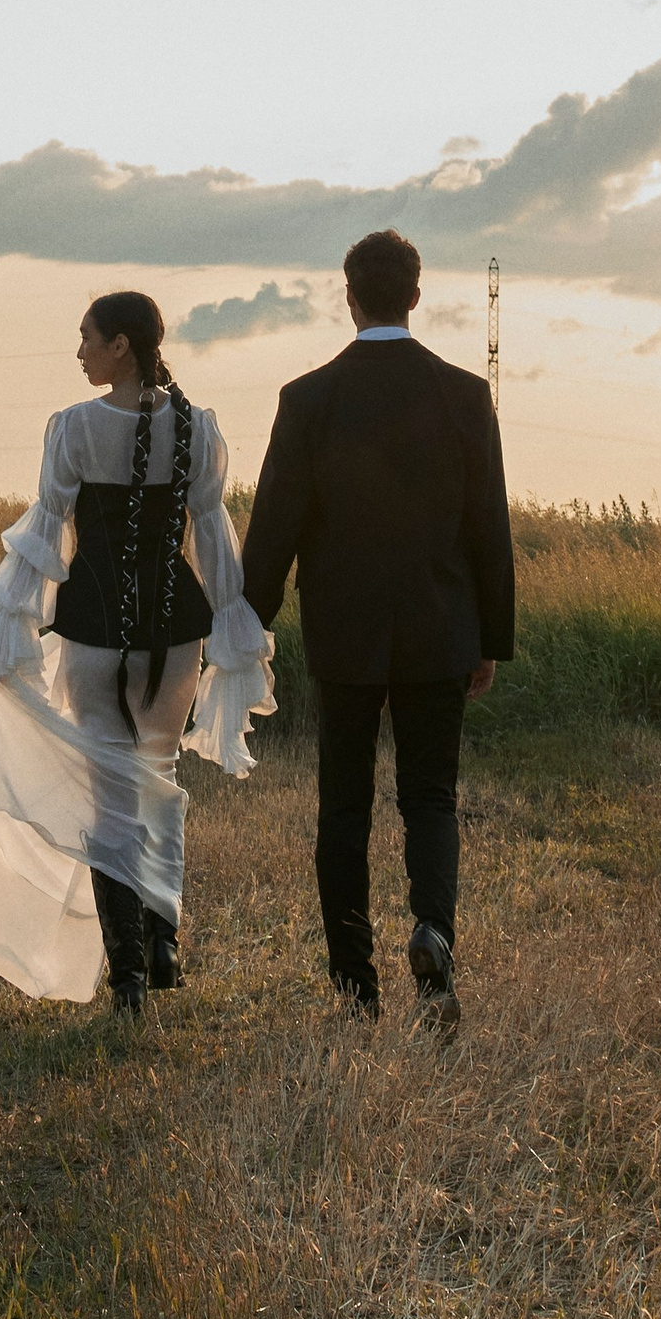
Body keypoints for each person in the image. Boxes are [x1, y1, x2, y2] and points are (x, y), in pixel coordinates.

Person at [0, 291, 274, 1015]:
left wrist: (6, 624)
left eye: (86, 338)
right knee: (157, 772)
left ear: (120, 344)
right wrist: (235, 630)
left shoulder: (74, 428)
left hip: (91, 626)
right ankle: (162, 937)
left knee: (109, 794)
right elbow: (212, 544)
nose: (78, 350)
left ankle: (130, 978)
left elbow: (48, 535)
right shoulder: (198, 427)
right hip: (177, 628)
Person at [241, 228, 513, 1030]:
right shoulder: (464, 395)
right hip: (441, 630)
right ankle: (432, 942)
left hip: (344, 636)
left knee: (344, 810)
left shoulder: (308, 398)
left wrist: (246, 628)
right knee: (431, 798)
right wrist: (490, 637)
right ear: (417, 296)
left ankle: (355, 989)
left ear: (348, 294)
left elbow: (273, 531)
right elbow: (487, 527)